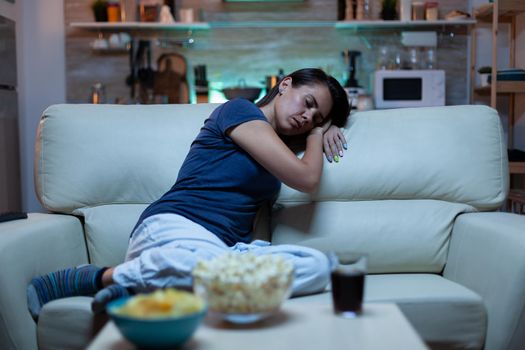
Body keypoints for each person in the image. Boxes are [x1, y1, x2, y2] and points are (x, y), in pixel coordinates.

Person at [26, 68, 350, 320]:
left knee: (318, 265)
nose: (308, 117)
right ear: (285, 84)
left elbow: (301, 168)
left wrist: (329, 126)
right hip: (174, 228)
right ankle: (100, 278)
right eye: (308, 104)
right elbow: (307, 178)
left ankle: (138, 287)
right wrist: (319, 133)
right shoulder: (238, 112)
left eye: (316, 118)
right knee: (195, 265)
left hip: (224, 252)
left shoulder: (278, 147)